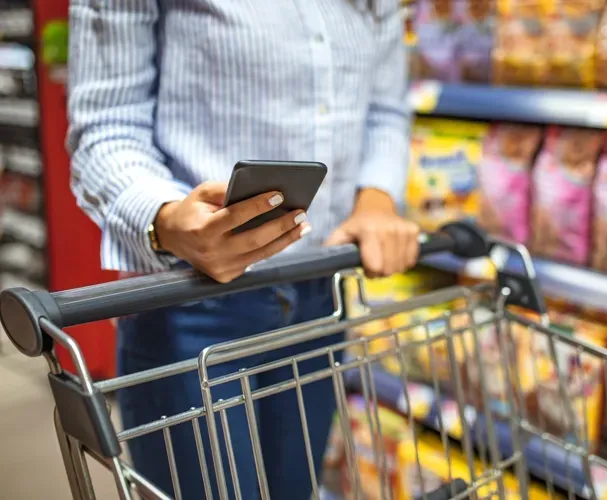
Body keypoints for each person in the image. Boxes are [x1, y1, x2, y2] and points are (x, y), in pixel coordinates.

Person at [66, 1, 418, 499]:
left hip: (321, 297)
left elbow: (385, 110)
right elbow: (104, 127)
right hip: (190, 303)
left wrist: (378, 200)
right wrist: (167, 219)